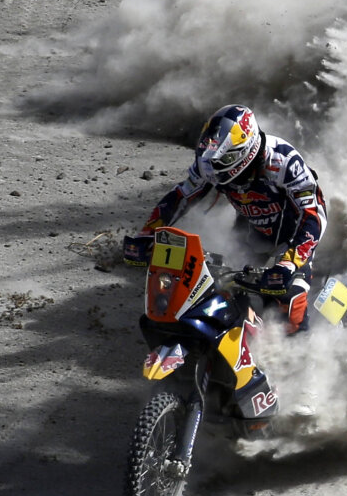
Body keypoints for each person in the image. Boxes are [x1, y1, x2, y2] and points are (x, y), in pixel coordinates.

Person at [124, 103, 328, 334]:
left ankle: (304, 349)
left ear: (246, 149)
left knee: (290, 308)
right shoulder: (209, 162)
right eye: (211, 159)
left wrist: (289, 262)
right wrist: (147, 232)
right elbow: (182, 195)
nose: (214, 169)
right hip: (250, 234)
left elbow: (314, 213)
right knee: (221, 290)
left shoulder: (283, 161)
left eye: (223, 160)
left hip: (295, 238)